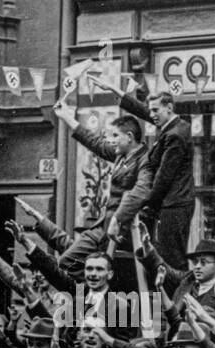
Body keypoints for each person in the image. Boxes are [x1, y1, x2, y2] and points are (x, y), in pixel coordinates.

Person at [47, 106, 153, 267]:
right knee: (67, 261)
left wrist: (117, 220)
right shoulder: (121, 155)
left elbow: (141, 192)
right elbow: (95, 143)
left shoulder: (146, 160)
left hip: (123, 232)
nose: (111, 140)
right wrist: (66, 117)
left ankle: (96, 285)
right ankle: (94, 286)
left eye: (116, 135)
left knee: (95, 267)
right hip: (103, 227)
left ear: (130, 137)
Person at [117, 90, 194, 270]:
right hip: (175, 203)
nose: (152, 116)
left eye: (155, 111)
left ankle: (178, 297)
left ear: (169, 108)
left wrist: (146, 203)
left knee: (172, 258)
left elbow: (164, 177)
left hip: (174, 205)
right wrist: (120, 94)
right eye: (150, 111)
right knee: (168, 255)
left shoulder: (174, 134)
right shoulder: (176, 126)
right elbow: (147, 112)